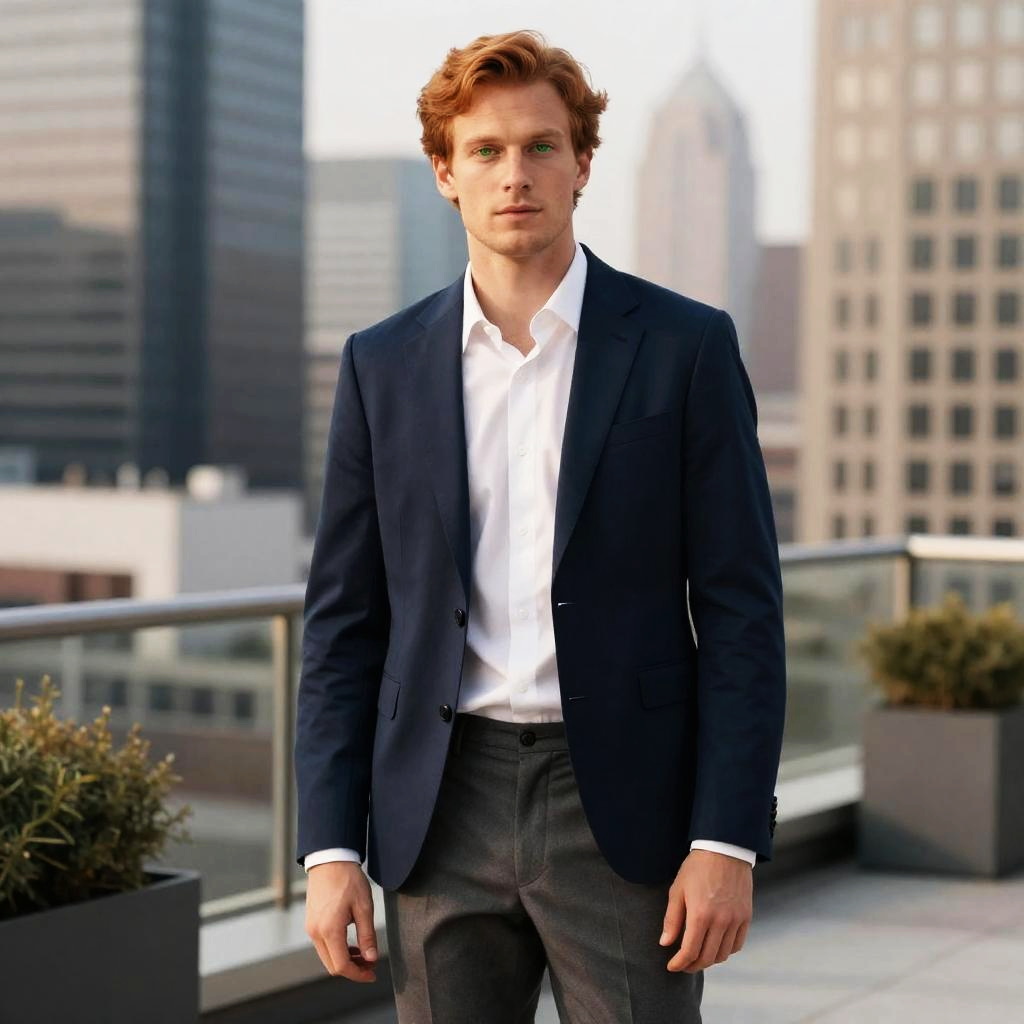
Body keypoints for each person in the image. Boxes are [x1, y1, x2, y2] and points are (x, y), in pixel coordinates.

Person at [295, 28, 786, 1023]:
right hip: (437, 799)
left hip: (623, 800)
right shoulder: (380, 366)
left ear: (582, 165)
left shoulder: (685, 348)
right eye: (484, 150)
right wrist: (329, 847)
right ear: (445, 172)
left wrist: (725, 838)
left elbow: (741, 608)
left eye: (539, 147)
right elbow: (344, 623)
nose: (513, 173)